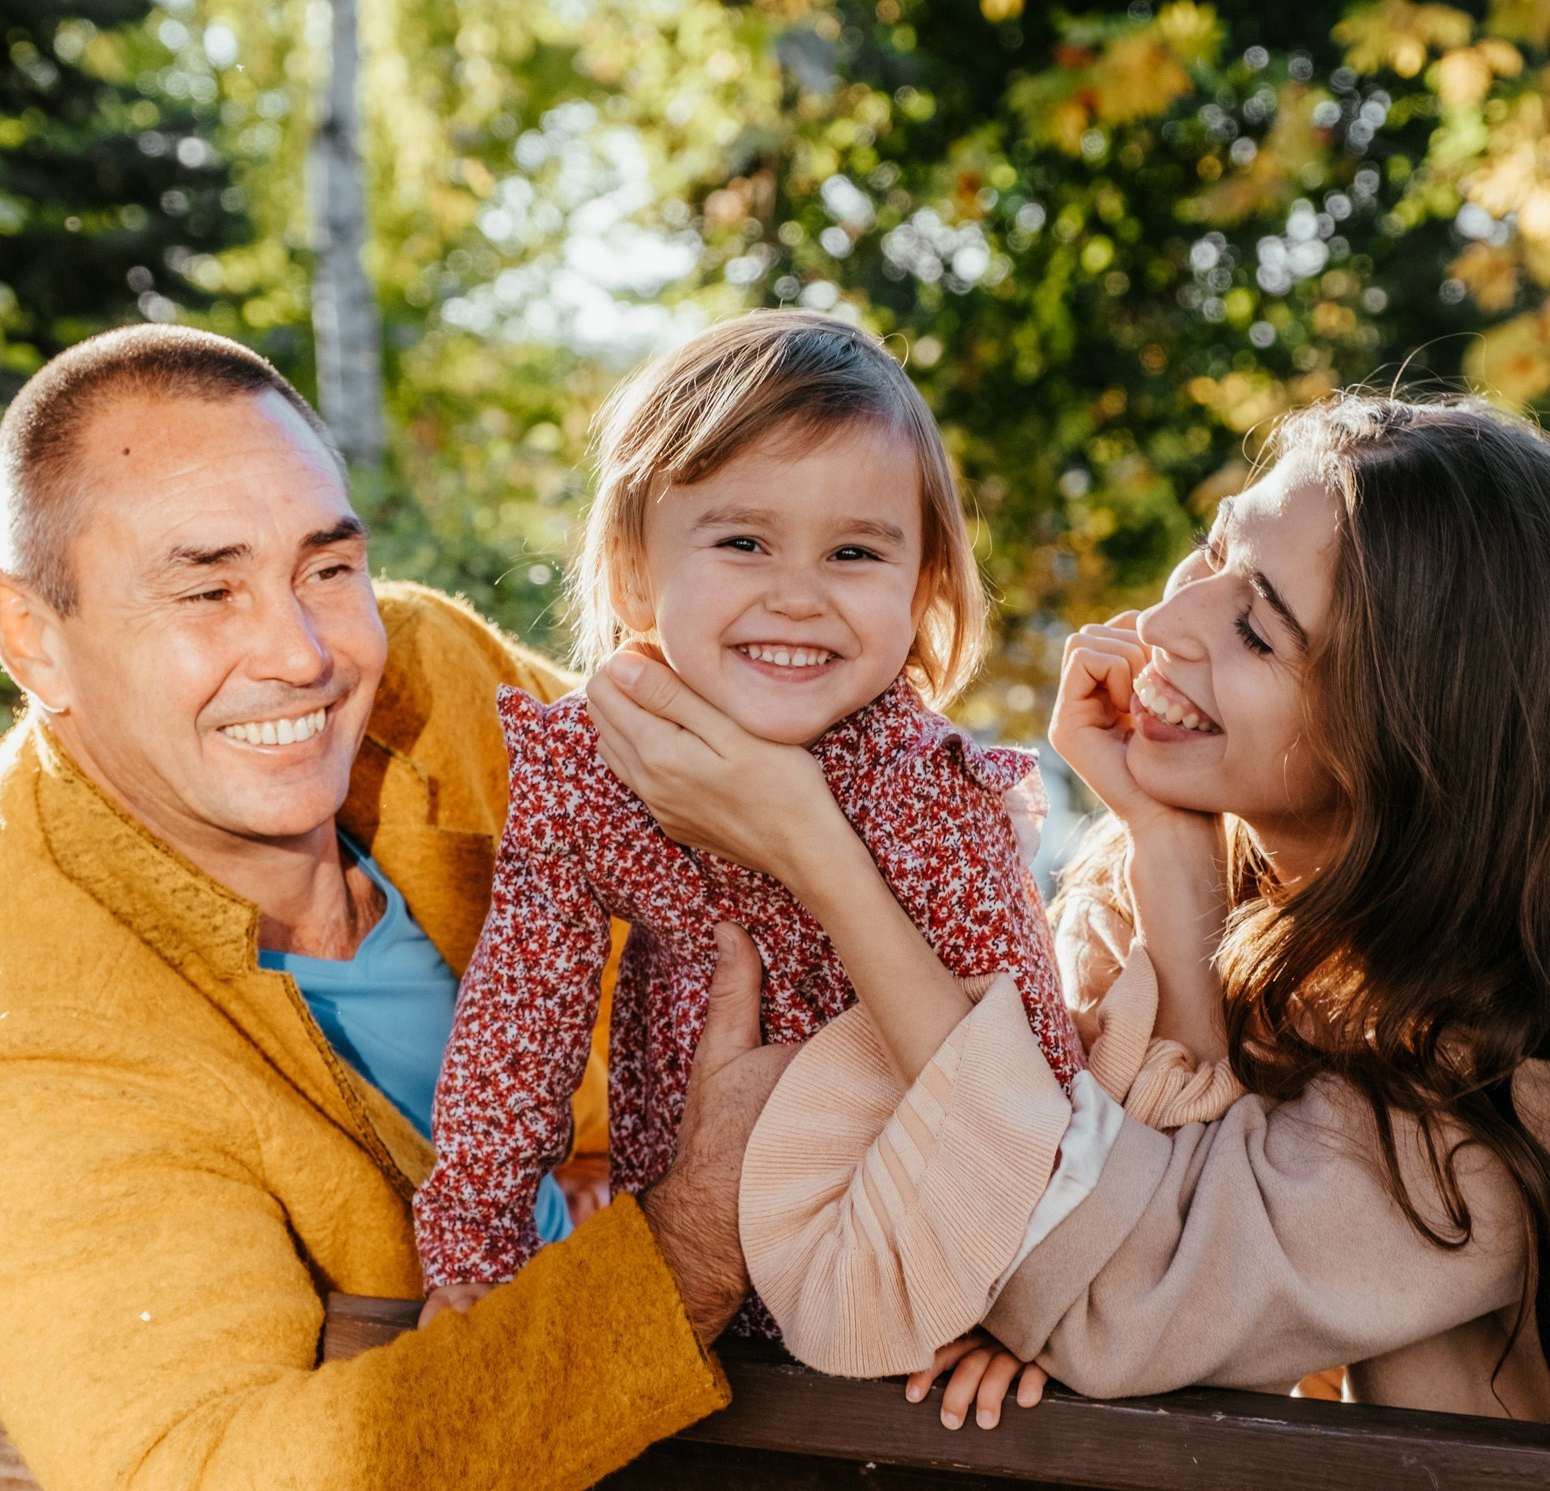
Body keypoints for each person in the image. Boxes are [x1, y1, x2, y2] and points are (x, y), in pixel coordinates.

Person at [589, 390, 1550, 1476]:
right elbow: (1068, 1195)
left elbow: (1103, 1274)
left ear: (1421, 735)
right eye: (1214, 556)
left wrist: (816, 848)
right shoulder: (1180, 870)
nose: (1170, 629)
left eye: (1257, 628)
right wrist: (1174, 880)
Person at [0, 323, 775, 1491]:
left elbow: (749, 847)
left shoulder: (432, 689)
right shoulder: (18, 1049)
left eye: (328, 567)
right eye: (205, 591)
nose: (302, 652)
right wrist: (691, 1240)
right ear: (33, 638)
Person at [412, 311, 1085, 1370]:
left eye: (854, 551)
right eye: (743, 541)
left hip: (906, 1286)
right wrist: (473, 1254)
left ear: (920, 592)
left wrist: (1023, 1311)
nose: (798, 593)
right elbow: (520, 1011)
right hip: (697, 1280)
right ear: (634, 574)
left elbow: (1028, 1063)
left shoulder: (930, 792)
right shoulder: (592, 764)